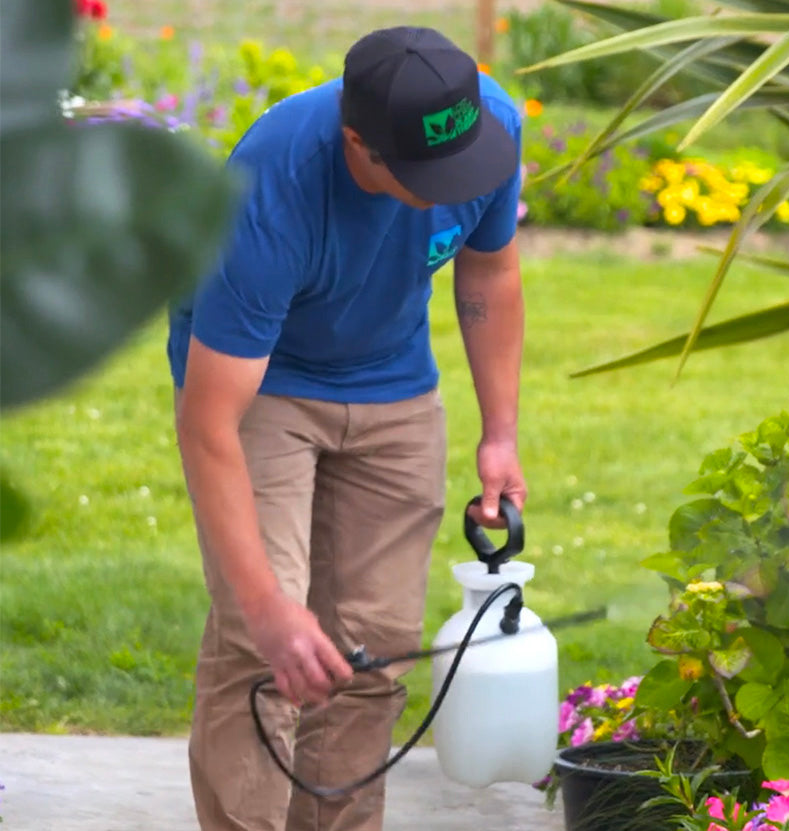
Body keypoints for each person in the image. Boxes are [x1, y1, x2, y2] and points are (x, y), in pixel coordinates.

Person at [167, 25, 527, 831]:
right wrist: (266, 606)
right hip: (267, 384)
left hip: (394, 380)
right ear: (355, 142)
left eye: (456, 167)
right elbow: (210, 424)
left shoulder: (485, 125)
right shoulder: (269, 189)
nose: (447, 190)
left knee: (373, 648)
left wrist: (499, 433)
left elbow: (491, 269)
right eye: (423, 174)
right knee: (262, 648)